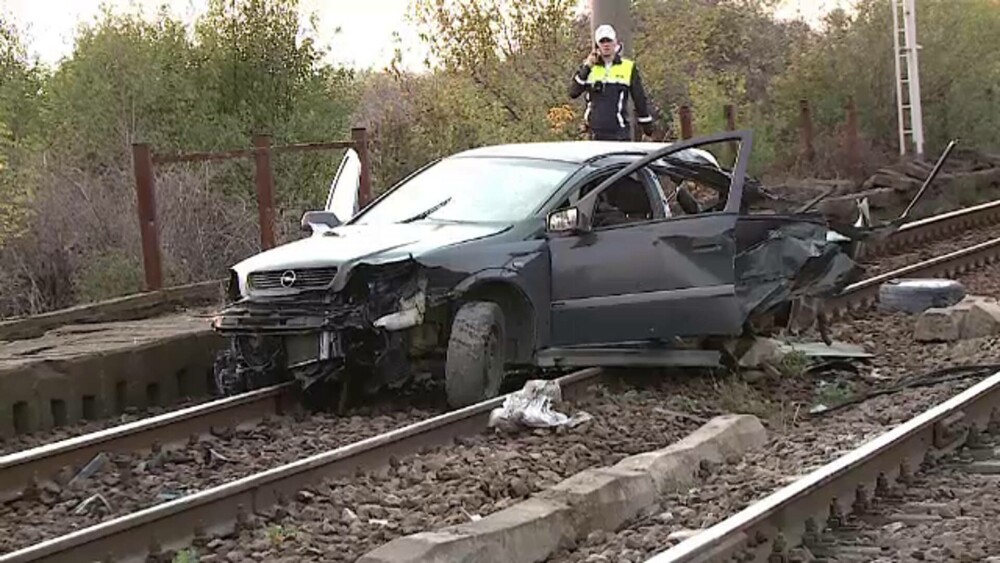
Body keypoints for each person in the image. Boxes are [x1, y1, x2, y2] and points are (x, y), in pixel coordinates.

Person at [569, 24, 656, 141]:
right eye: (602, 41)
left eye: (609, 40)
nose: (606, 44)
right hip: (594, 134)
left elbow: (640, 99)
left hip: (619, 133)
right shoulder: (589, 68)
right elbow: (573, 92)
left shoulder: (628, 67)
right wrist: (587, 67)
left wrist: (647, 130)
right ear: (597, 45)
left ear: (615, 42)